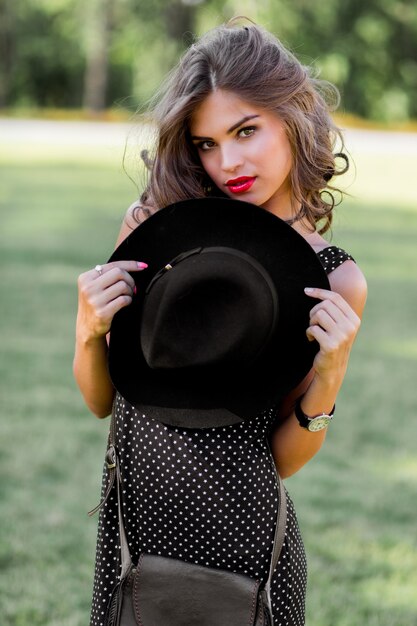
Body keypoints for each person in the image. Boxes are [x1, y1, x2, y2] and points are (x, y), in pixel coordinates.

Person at [74, 20, 367, 626]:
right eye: (207, 143)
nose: (227, 161)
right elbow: (102, 400)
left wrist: (330, 375)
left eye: (246, 131)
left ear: (293, 117)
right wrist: (88, 331)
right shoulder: (156, 230)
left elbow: (282, 459)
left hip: (244, 547)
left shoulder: (334, 278)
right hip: (136, 534)